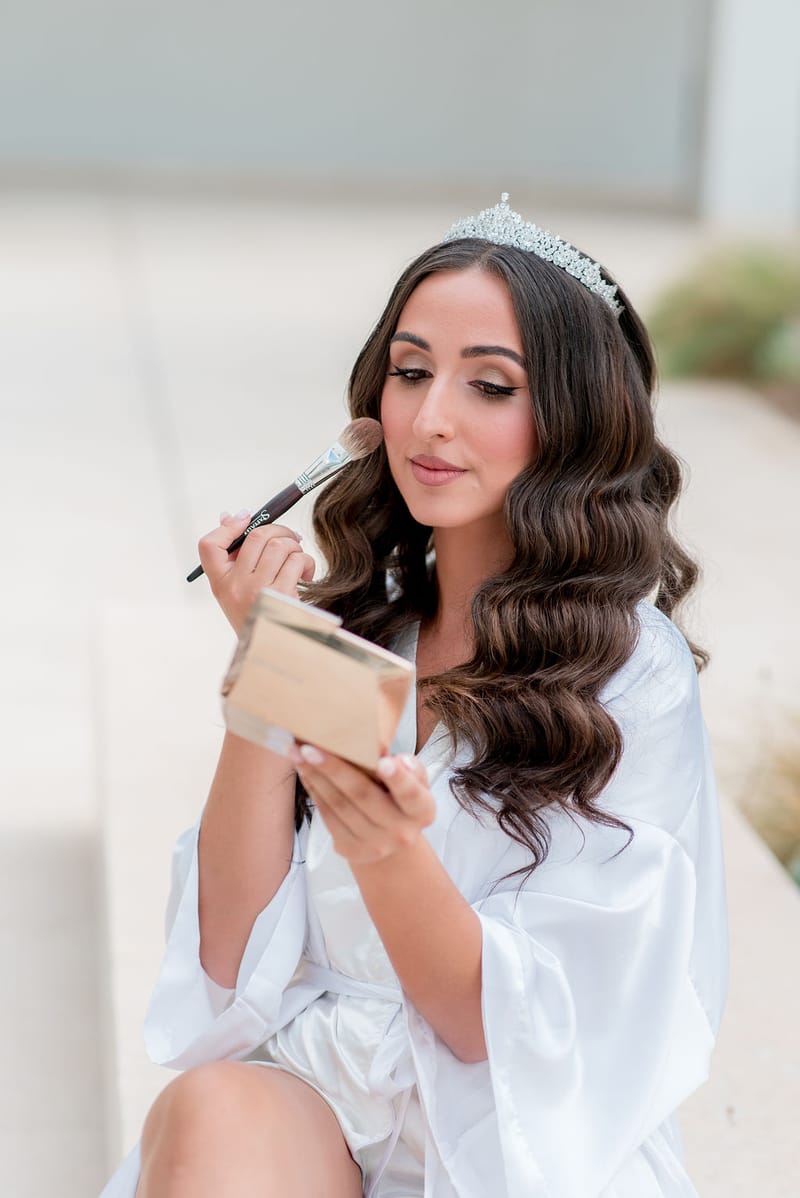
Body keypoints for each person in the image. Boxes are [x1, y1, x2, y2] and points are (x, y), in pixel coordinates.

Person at [100, 195, 728, 1198]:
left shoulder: (625, 672)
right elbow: (229, 959)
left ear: (570, 416)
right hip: (330, 1109)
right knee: (212, 1105)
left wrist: (387, 849)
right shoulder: (365, 626)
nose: (430, 418)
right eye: (408, 371)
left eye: (488, 384)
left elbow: (501, 1032)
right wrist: (276, 661)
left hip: (517, 1146)